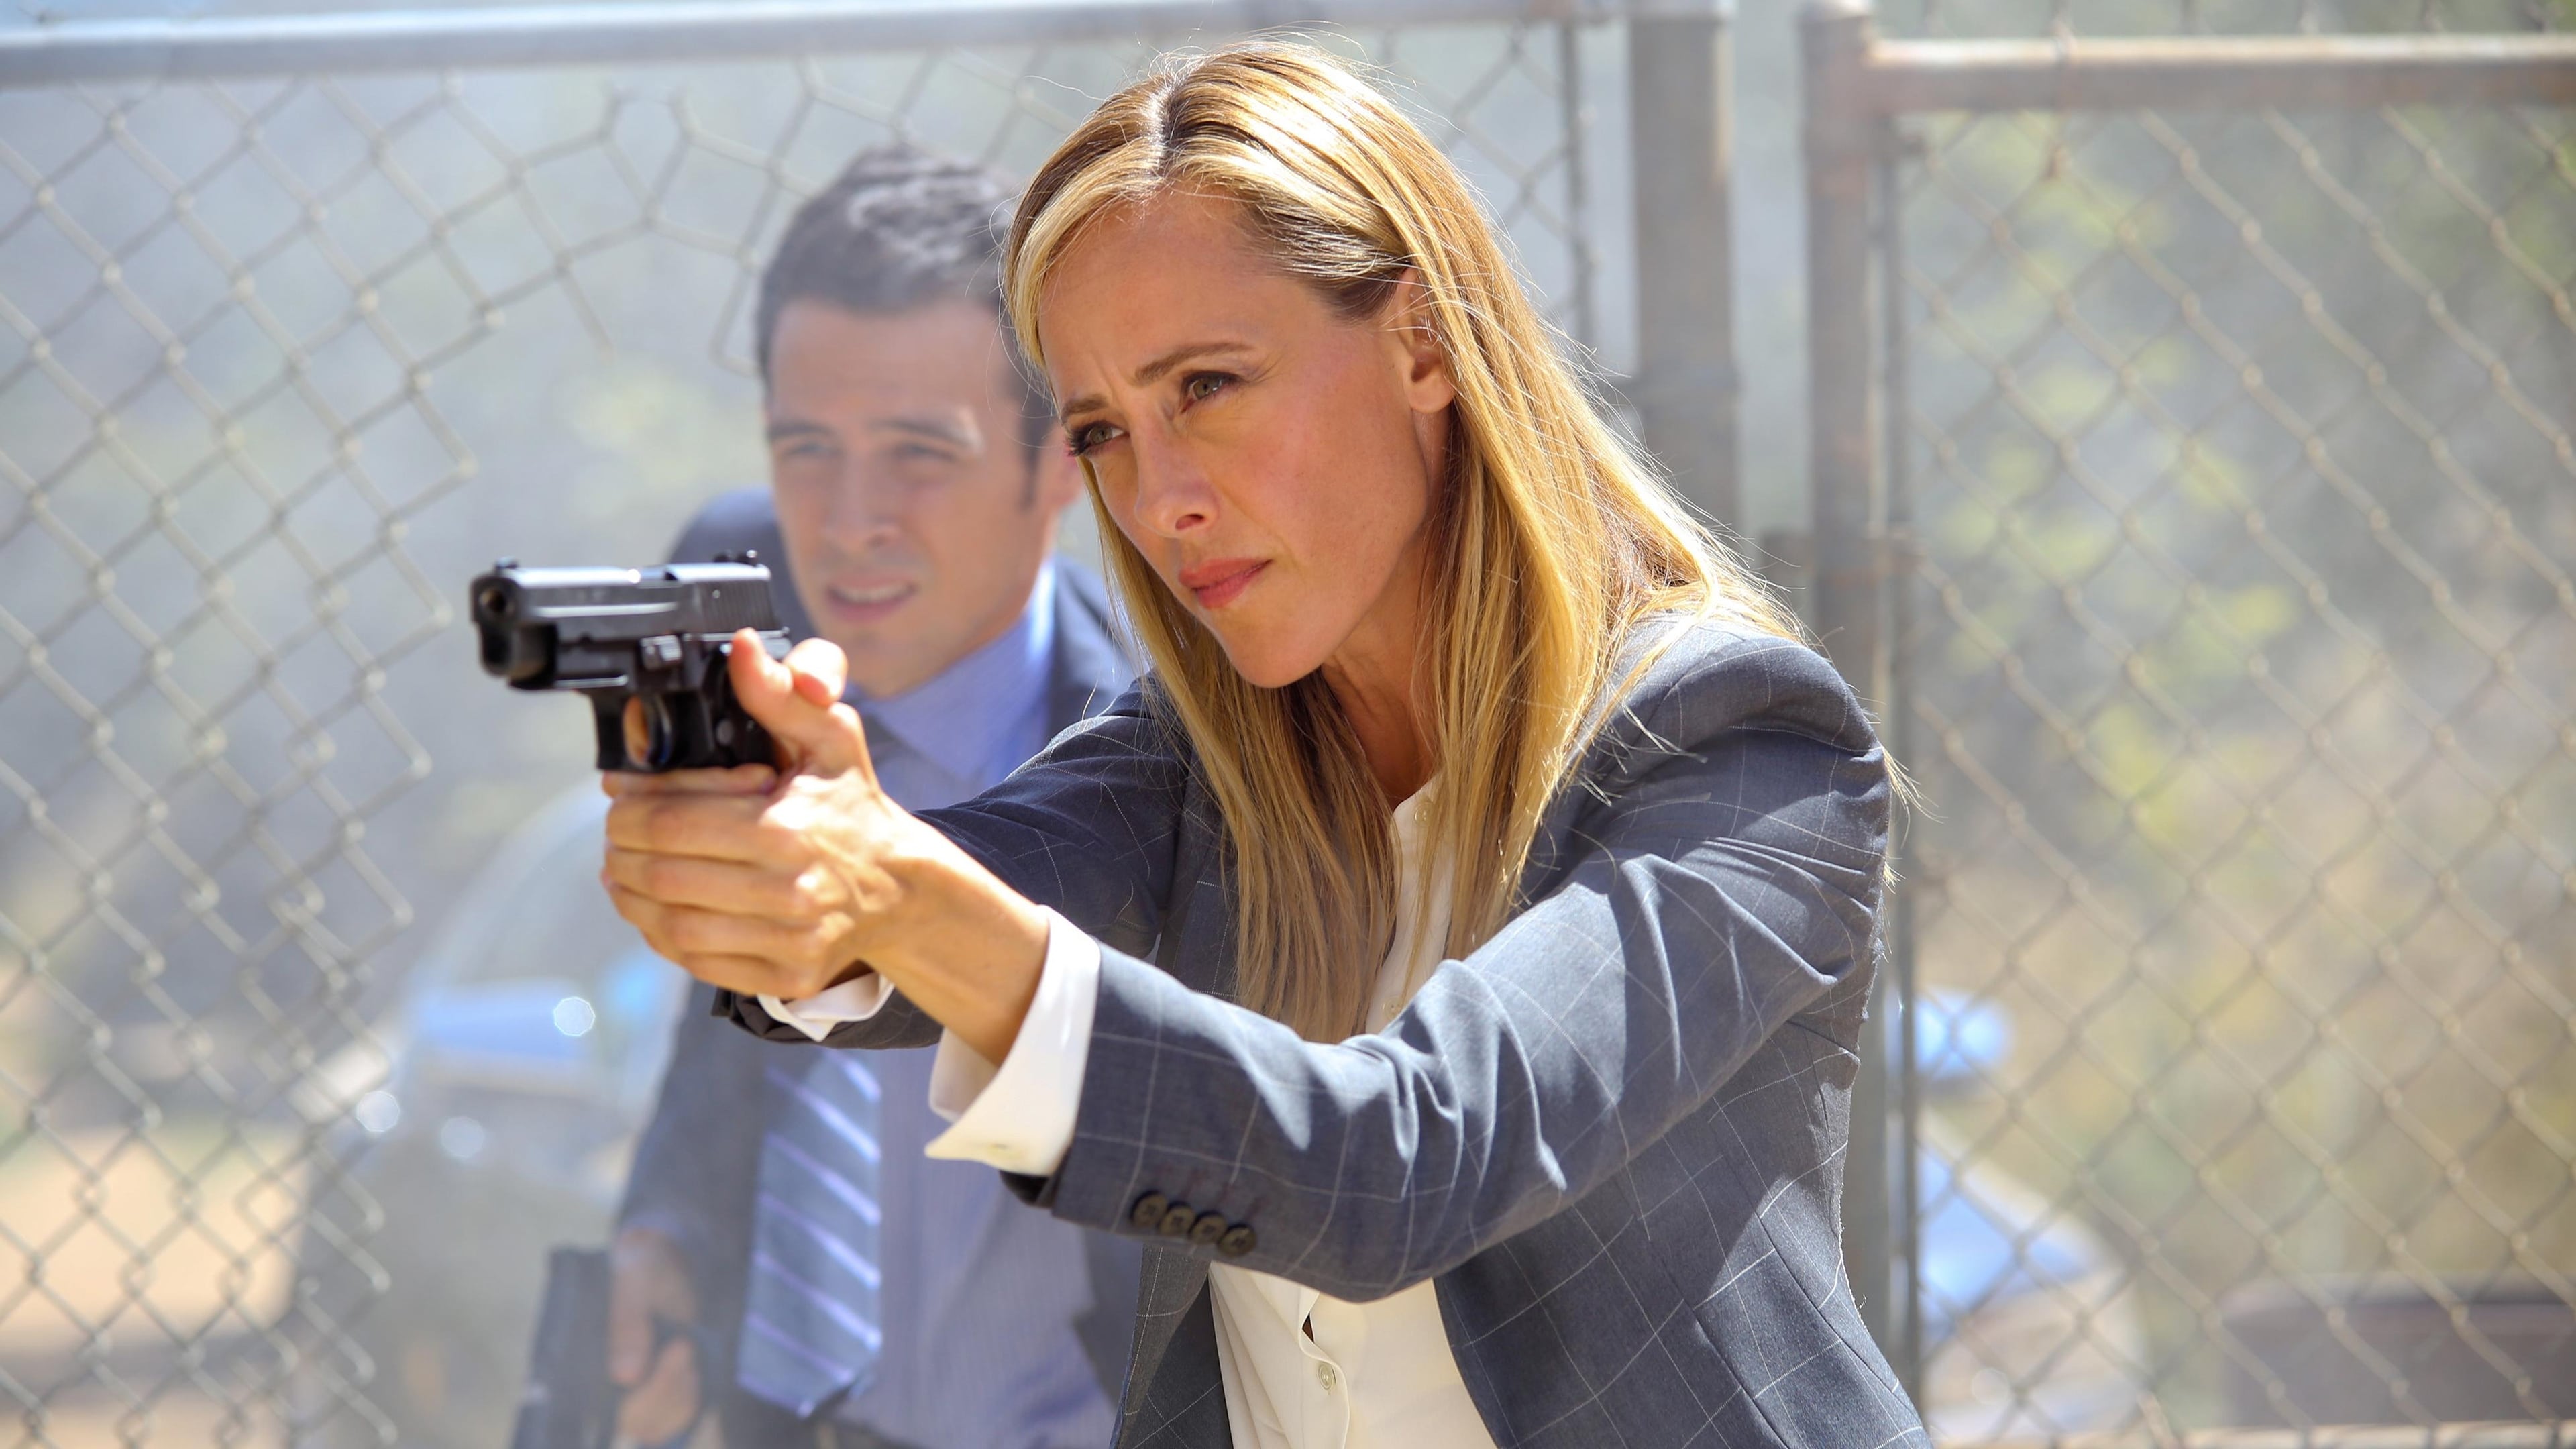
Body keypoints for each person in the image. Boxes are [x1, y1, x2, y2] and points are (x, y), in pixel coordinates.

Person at [600, 42, 1928, 1449]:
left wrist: (895, 897)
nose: (1158, 498)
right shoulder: (1201, 760)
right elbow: (961, 879)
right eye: (1103, 430)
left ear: (1425, 343)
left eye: (1208, 387)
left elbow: (1403, 1163)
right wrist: (781, 872)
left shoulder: (1738, 746)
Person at [606, 144, 1142, 1449]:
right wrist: (669, 1229)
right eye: (809, 449)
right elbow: (720, 1014)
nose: (850, 523)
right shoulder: (735, 622)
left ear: (1062, 460)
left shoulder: (1176, 746)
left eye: (919, 452)